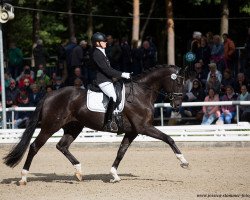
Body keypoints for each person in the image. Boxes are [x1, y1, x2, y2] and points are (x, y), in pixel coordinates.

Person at [91, 32, 130, 132]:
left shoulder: (102, 51)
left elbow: (109, 68)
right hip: (102, 80)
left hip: (108, 79)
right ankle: (107, 122)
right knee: (113, 96)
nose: (106, 43)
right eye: (103, 41)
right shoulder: (96, 53)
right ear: (97, 43)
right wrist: (122, 74)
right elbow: (106, 70)